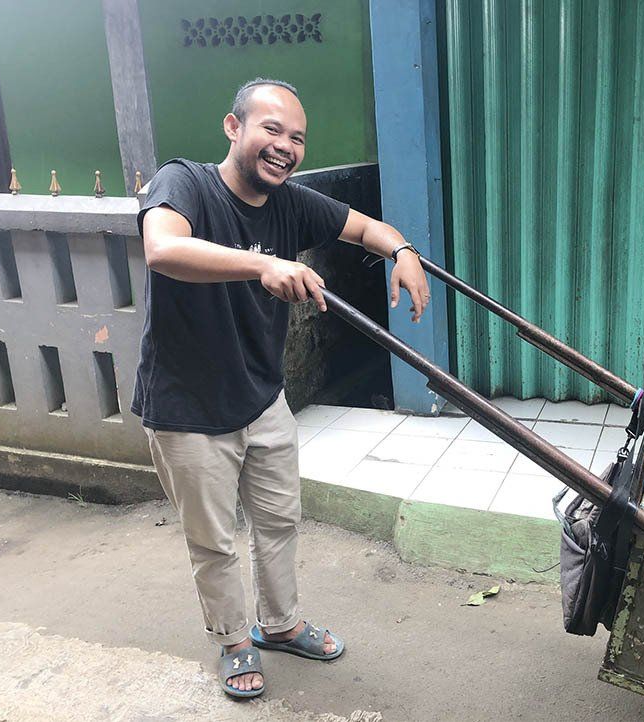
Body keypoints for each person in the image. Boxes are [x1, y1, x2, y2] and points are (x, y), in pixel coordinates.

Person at [133, 77, 430, 698]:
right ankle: (234, 640)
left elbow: (365, 228)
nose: (285, 146)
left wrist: (401, 249)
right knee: (213, 542)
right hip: (187, 408)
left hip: (263, 397)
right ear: (233, 127)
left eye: (297, 137)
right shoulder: (183, 182)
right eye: (271, 129)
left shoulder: (293, 201)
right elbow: (162, 249)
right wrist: (264, 263)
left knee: (278, 520)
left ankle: (279, 623)